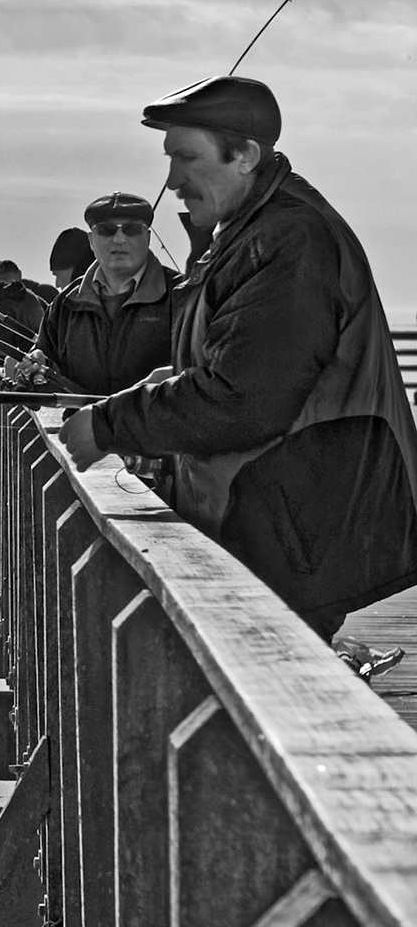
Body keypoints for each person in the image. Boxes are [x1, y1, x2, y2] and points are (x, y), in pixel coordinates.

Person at [62, 75, 417, 674]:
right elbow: (244, 365)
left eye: (186, 157)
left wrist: (108, 424)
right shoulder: (250, 231)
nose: (172, 180)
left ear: (245, 155)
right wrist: (165, 386)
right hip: (275, 515)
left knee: (275, 705)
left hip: (297, 521)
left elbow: (243, 400)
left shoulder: (289, 238)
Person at [9, 193, 175, 396]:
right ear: (91, 241)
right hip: (83, 427)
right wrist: (37, 370)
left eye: (131, 229)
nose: (119, 238)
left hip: (155, 428)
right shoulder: (64, 304)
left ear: (148, 237)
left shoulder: (184, 296)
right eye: (106, 230)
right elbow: (47, 365)